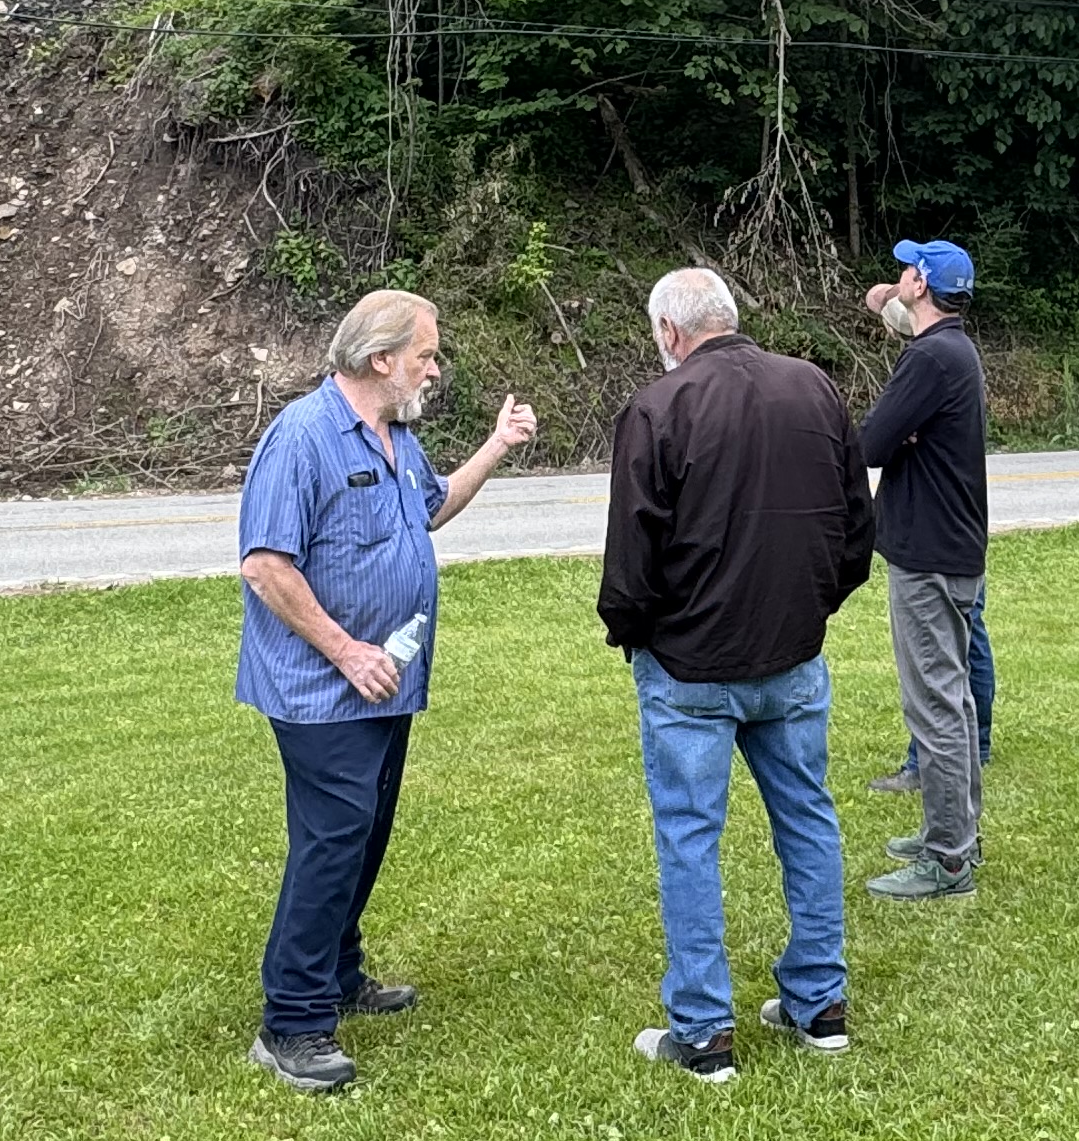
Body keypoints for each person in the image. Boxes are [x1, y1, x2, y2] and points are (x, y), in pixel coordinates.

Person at [233, 290, 537, 1095]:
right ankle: (292, 1022)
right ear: (381, 359)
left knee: (362, 836)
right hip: (322, 688)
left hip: (385, 683)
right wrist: (345, 651)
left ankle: (338, 972)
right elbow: (265, 565)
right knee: (333, 839)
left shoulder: (397, 436)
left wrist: (497, 445)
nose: (435, 369)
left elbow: (431, 509)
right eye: (426, 355)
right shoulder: (302, 437)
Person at [599, 266, 878, 1081]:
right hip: (788, 654)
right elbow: (856, 528)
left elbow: (631, 557)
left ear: (670, 332)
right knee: (808, 819)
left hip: (692, 664)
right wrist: (813, 607)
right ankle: (820, 1001)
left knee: (691, 838)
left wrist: (635, 634)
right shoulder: (814, 388)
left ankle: (704, 1029)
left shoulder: (659, 406)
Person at [856, 237, 990, 900]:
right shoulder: (954, 349)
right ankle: (958, 831)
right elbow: (893, 435)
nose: (900, 274)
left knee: (935, 705)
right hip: (952, 549)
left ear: (922, 285)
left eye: (908, 269)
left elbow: (869, 443)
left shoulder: (931, 358)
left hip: (929, 555)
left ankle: (948, 860)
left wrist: (896, 432)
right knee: (953, 702)